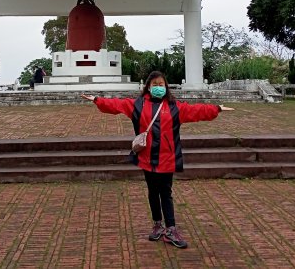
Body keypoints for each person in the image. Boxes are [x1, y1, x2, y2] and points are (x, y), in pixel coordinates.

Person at [81, 70, 234, 249]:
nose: (158, 88)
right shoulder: (138, 105)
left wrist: (216, 109)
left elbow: (196, 111)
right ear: (148, 87)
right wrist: (97, 100)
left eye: (161, 85)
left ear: (166, 87)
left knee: (166, 193)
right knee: (153, 192)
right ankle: (157, 224)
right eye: (155, 85)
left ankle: (171, 229)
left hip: (167, 157)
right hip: (147, 157)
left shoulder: (174, 107)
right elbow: (118, 105)